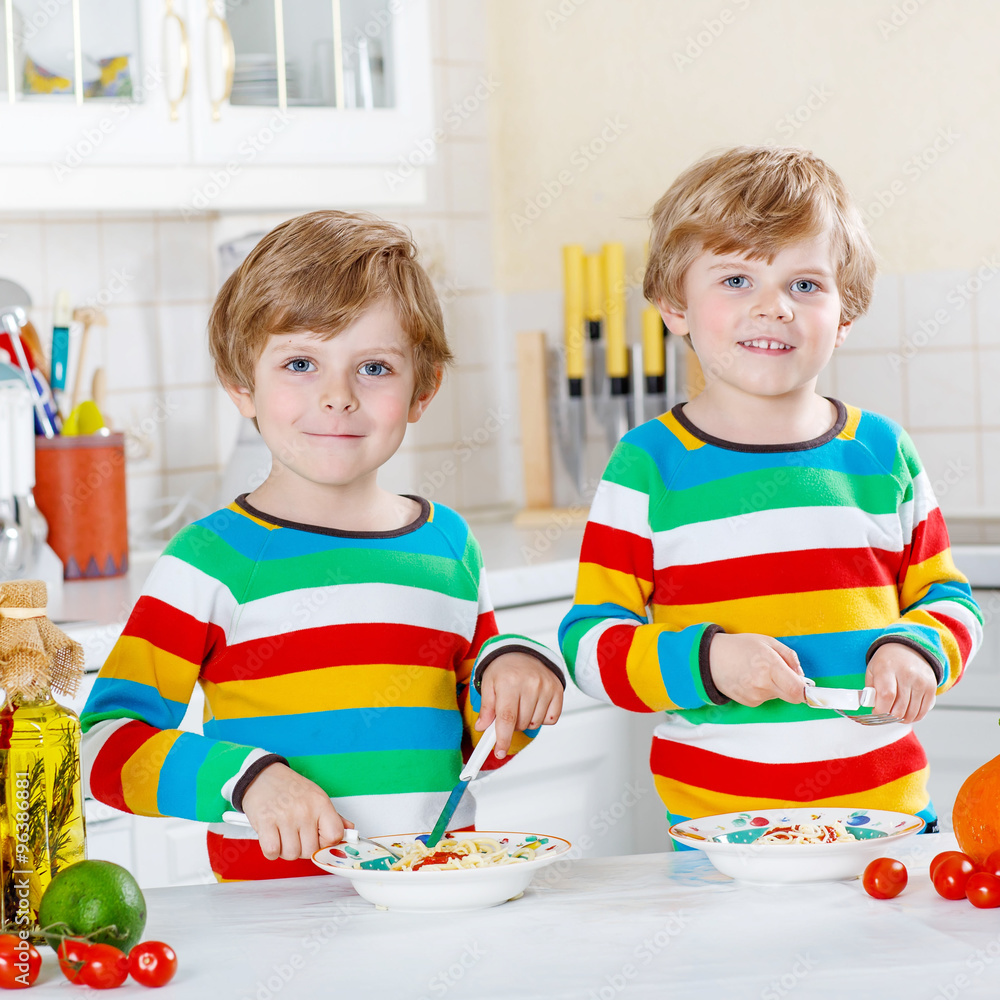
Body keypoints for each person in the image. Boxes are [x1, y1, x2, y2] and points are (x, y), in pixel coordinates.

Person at [81, 211, 565, 881]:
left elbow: (477, 740)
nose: (337, 397)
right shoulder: (213, 560)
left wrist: (518, 676)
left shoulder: (447, 545)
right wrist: (245, 781)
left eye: (373, 367)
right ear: (241, 386)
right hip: (275, 925)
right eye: (301, 363)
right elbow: (105, 745)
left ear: (422, 390)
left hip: (436, 899)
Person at [559, 146, 982, 838]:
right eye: (735, 279)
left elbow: (949, 601)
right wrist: (707, 661)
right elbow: (588, 647)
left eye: (806, 286)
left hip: (886, 831)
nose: (773, 308)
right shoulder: (647, 467)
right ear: (675, 307)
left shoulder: (882, 454)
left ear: (846, 315)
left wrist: (917, 649)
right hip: (719, 845)